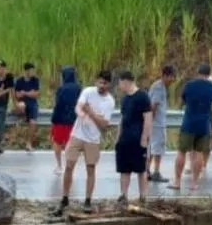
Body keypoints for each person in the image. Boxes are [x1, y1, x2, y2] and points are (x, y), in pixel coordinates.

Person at [54, 70, 115, 215]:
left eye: (105, 83)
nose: (101, 85)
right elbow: (79, 107)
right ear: (96, 82)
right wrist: (83, 113)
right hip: (77, 134)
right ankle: (65, 197)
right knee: (69, 165)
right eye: (99, 82)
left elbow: (104, 125)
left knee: (91, 168)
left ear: (109, 84)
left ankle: (87, 200)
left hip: (93, 138)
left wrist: (91, 113)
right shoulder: (88, 91)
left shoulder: (109, 101)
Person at [169, 63, 212, 192]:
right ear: (209, 74)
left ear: (198, 72)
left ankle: (177, 181)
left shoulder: (189, 85)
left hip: (189, 122)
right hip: (204, 124)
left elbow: (184, 101)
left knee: (182, 152)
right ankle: (194, 183)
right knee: (199, 153)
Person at [114, 70, 153, 207]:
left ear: (126, 81)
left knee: (141, 169)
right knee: (124, 169)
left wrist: (144, 138)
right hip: (125, 139)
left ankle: (143, 196)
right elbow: (122, 119)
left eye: (119, 83)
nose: (119, 86)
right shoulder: (125, 98)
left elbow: (148, 119)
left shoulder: (142, 96)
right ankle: (123, 195)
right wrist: (117, 138)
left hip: (137, 139)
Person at [50, 66, 80, 174]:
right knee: (70, 143)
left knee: (57, 142)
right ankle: (69, 165)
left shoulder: (61, 89)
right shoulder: (78, 88)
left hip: (60, 120)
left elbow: (58, 105)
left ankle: (59, 166)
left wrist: (53, 119)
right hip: (73, 120)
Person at [147, 65, 175, 183]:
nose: (172, 80)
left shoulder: (160, 86)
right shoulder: (158, 87)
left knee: (153, 148)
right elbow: (153, 105)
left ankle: (147, 170)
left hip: (156, 123)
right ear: (165, 75)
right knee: (157, 149)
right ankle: (156, 172)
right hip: (157, 124)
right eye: (171, 77)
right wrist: (150, 121)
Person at [13, 62, 40, 152]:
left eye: (33, 70)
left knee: (33, 123)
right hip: (22, 104)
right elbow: (17, 95)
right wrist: (29, 93)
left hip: (32, 104)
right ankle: (23, 117)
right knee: (21, 105)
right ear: (26, 71)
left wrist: (25, 93)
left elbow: (36, 94)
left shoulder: (35, 80)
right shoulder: (20, 81)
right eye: (31, 70)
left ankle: (29, 144)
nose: (32, 72)